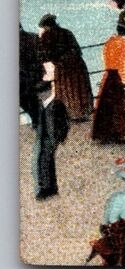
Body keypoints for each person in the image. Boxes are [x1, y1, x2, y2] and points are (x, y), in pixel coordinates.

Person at [37, 15, 94, 122]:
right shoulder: (67, 32)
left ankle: (70, 114)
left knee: (66, 90)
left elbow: (44, 55)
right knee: (79, 88)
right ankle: (82, 112)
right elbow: (77, 49)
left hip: (62, 67)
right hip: (78, 64)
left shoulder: (47, 36)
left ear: (45, 27)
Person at [92, 27, 125, 145]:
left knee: (107, 107)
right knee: (124, 108)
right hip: (119, 78)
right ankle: (124, 134)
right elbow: (123, 66)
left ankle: (107, 135)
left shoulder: (110, 41)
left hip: (109, 77)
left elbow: (105, 60)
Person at [32, 63, 68, 200]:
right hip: (45, 137)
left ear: (46, 92)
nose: (39, 96)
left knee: (45, 161)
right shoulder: (45, 105)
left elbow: (64, 123)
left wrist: (59, 138)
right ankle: (48, 187)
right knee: (44, 161)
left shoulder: (56, 105)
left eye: (41, 93)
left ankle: (47, 188)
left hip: (51, 139)